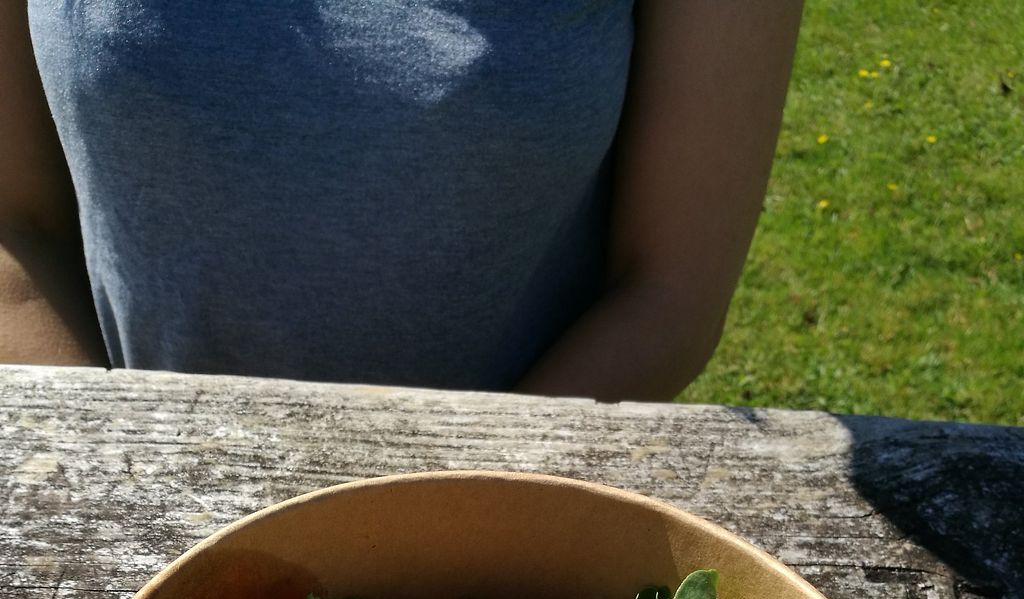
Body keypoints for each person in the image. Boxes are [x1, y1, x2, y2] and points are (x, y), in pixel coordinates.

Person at [0, 1, 803, 402]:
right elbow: (13, 231)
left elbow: (667, 290)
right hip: (136, 531)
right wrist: (122, 481)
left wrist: (439, 537)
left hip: (508, 557)